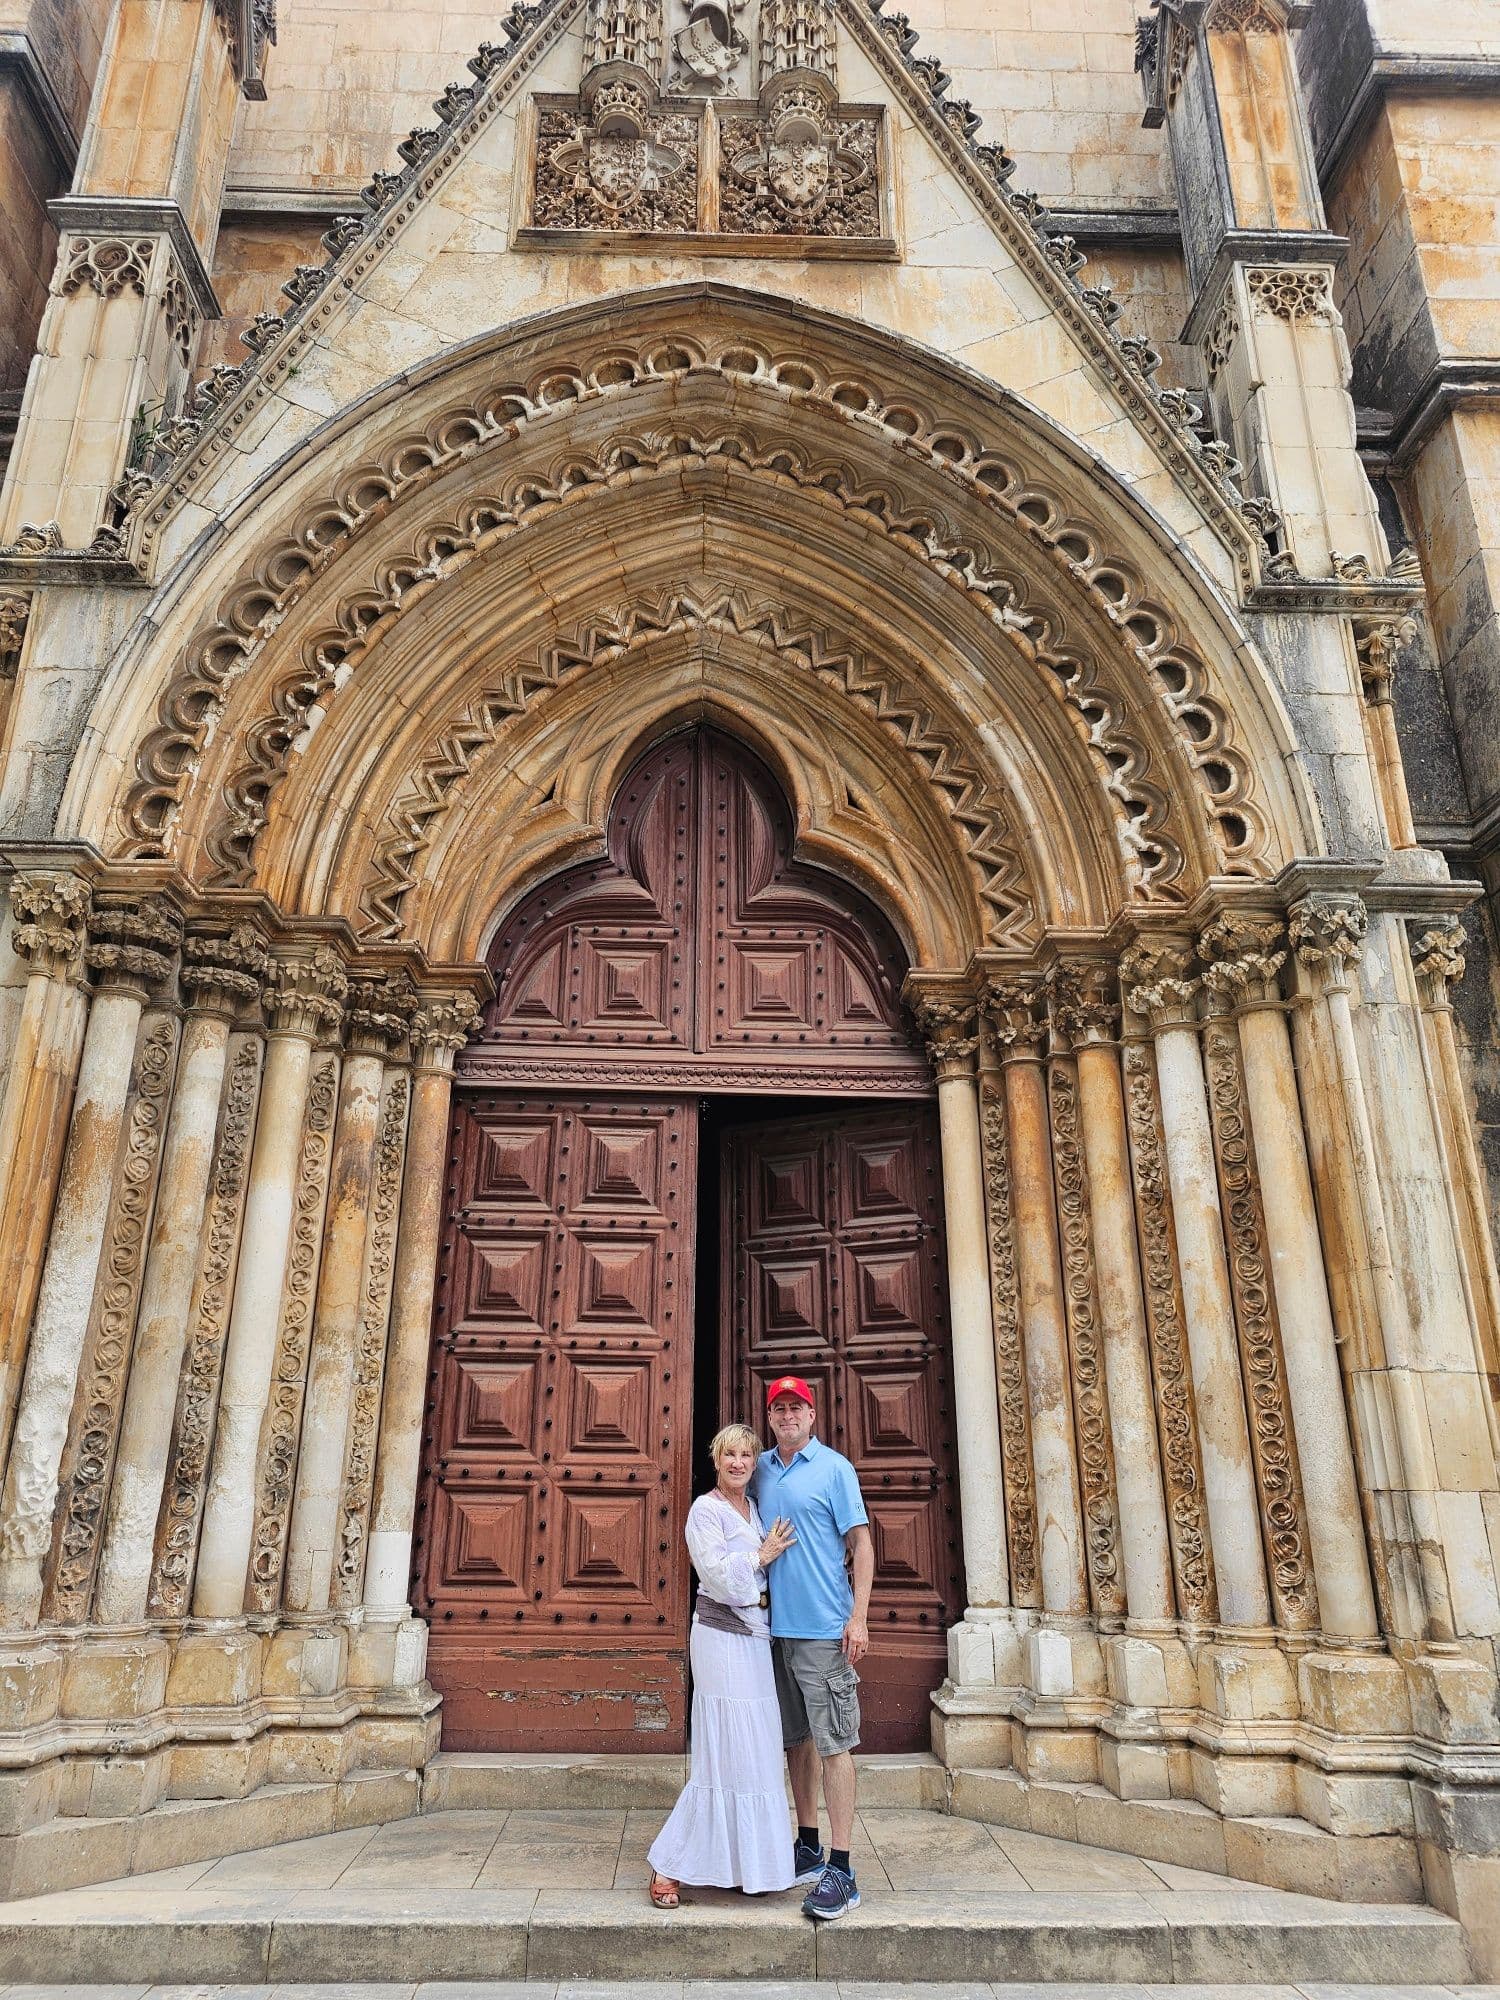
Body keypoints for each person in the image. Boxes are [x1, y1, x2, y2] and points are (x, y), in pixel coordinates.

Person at [646, 1423, 798, 1907]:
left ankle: (740, 1864)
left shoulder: (752, 1509)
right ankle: (668, 1864)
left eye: (746, 1456)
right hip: (720, 1639)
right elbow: (720, 1578)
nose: (738, 1463)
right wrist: (762, 1556)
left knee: (753, 1751)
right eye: (729, 1454)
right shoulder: (704, 1511)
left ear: (755, 1464)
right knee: (723, 1750)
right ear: (716, 1459)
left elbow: (759, 1583)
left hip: (755, 1641)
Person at [751, 1375, 873, 1924]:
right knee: (796, 1742)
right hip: (775, 1632)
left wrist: (859, 1617)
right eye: (779, 1409)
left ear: (813, 1415)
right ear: (770, 1418)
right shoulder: (761, 1471)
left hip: (825, 1630)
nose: (788, 1416)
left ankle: (842, 1869)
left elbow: (861, 1545)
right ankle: (807, 1844)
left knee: (834, 1744)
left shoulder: (834, 1469)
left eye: (796, 1407)